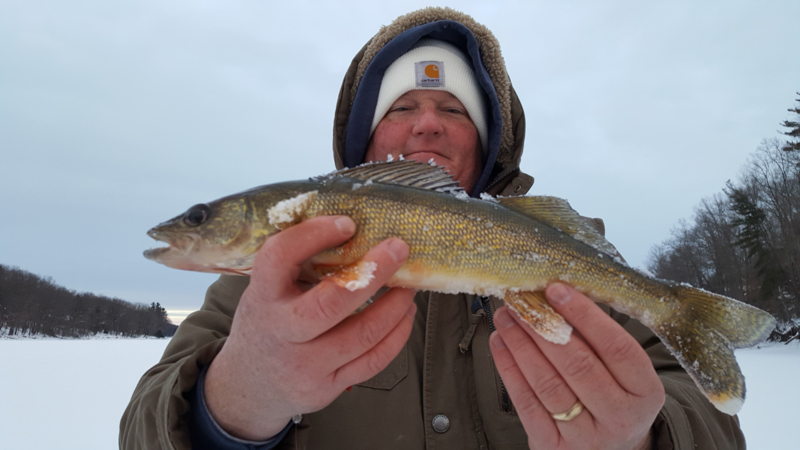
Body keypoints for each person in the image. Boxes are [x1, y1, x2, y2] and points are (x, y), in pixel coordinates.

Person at [120, 7, 745, 450]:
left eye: (452, 109)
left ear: (489, 142)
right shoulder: (263, 283)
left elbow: (717, 432)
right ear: (363, 135)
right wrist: (235, 401)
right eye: (401, 107)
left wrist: (640, 441)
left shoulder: (565, 254)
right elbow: (140, 433)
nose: (427, 125)